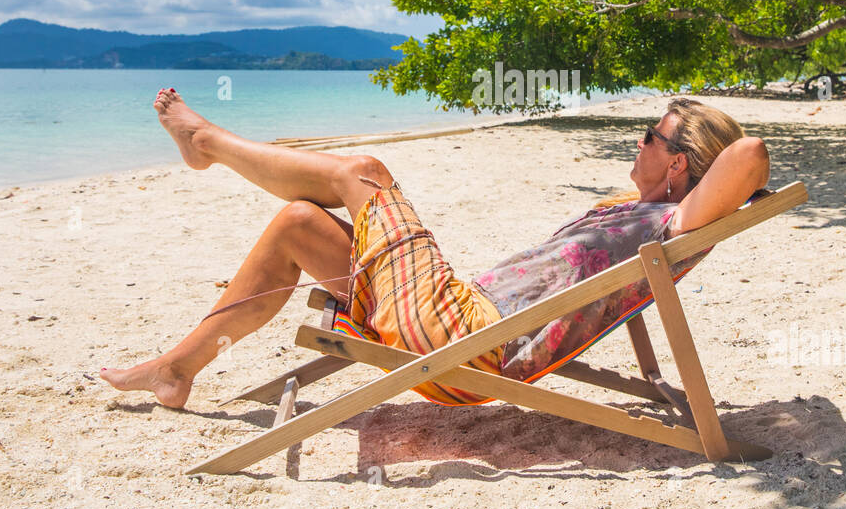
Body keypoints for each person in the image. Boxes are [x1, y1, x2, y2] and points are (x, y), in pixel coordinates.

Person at [100, 90, 769, 408]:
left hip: (465, 338)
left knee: (361, 172)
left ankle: (207, 143)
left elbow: (749, 153)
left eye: (652, 135)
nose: (640, 141)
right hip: (451, 322)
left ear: (680, 164)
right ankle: (177, 369)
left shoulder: (672, 222)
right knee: (300, 222)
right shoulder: (637, 213)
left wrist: (702, 183)